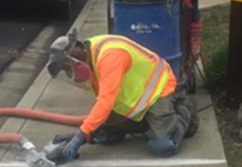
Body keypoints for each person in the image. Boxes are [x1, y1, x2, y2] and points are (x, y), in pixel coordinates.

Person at [47, 28, 199, 160]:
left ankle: (185, 107)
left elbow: (105, 103)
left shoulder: (109, 56)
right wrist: (85, 136)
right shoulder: (90, 58)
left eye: (68, 68)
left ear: (76, 53)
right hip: (137, 96)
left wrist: (80, 136)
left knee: (163, 146)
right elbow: (104, 105)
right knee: (106, 136)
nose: (71, 73)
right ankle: (147, 122)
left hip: (158, 89)